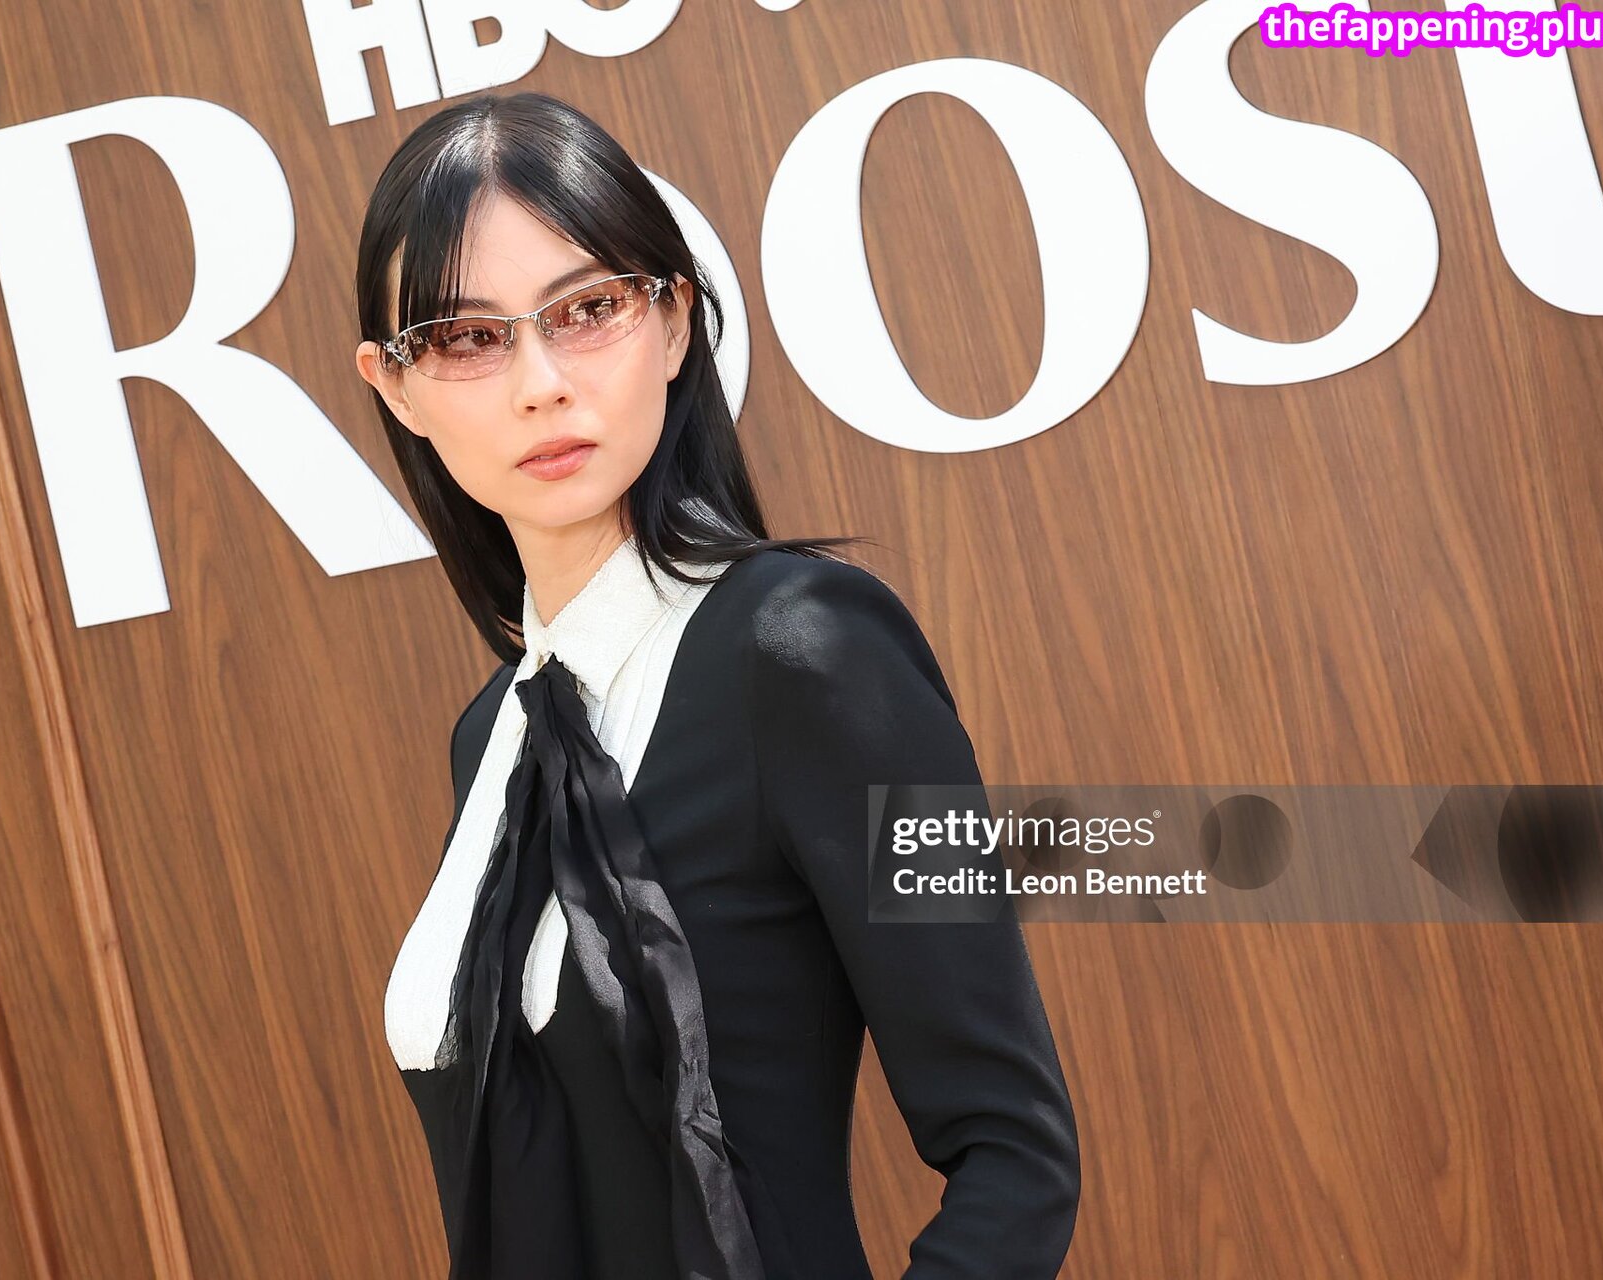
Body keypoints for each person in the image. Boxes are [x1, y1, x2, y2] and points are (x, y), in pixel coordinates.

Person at [351, 89, 1079, 1280]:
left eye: (588, 310)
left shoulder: (807, 651)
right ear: (395, 386)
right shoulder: (491, 739)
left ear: (675, 322)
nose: (541, 382)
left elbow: (1017, 1153)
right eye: (470, 337)